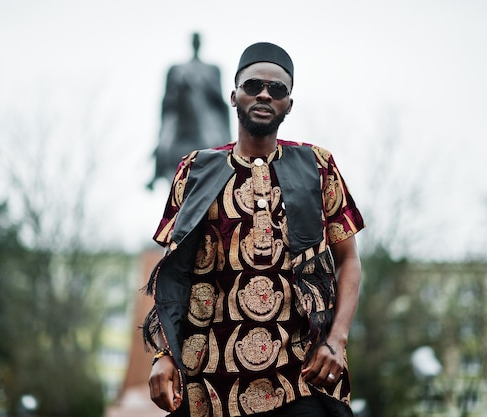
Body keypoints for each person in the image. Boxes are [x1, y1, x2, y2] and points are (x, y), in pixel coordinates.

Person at [142, 42, 365, 417]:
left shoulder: (318, 166)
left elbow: (349, 262)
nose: (264, 94)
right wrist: (164, 354)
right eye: (253, 86)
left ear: (289, 104)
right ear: (233, 96)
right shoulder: (193, 170)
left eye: (277, 89)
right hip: (207, 387)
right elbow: (173, 274)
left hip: (299, 379)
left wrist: (337, 340)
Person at [148, 32, 231, 190]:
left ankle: (228, 164)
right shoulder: (175, 69)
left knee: (217, 138)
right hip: (178, 111)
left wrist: (201, 87)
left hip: (206, 113)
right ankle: (155, 173)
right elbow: (166, 98)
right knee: (164, 143)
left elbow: (219, 99)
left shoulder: (212, 69)